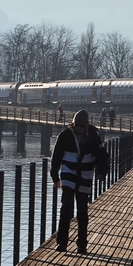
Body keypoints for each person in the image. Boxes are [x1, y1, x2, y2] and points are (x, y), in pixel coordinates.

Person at [50, 109, 103, 254]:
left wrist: (101, 172)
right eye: (77, 125)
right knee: (66, 207)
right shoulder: (65, 135)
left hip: (85, 174)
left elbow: (101, 154)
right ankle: (61, 243)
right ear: (73, 124)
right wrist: (55, 176)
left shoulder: (93, 135)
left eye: (82, 126)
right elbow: (56, 156)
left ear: (86, 126)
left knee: (82, 211)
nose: (79, 129)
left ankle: (82, 244)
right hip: (68, 173)